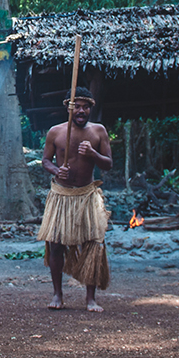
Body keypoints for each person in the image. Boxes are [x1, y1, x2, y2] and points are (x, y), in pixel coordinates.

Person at [38, 87, 113, 312]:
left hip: (87, 194)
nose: (81, 111)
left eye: (85, 107)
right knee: (56, 245)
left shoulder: (99, 132)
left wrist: (94, 154)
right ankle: (57, 294)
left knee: (92, 244)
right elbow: (45, 160)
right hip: (61, 195)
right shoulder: (56, 132)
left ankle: (90, 298)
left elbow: (108, 164)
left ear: (91, 108)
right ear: (68, 107)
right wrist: (55, 170)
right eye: (76, 106)